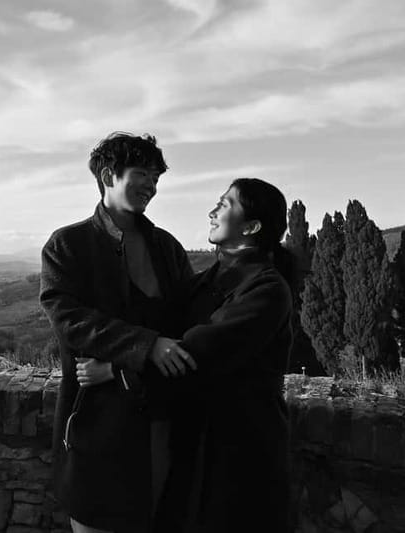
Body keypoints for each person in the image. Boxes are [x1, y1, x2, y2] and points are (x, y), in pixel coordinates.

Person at [81, 177, 295, 533]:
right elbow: (161, 318)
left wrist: (118, 371)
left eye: (225, 205)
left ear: (252, 226)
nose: (212, 211)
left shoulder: (267, 289)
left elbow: (199, 352)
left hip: (240, 453)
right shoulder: (212, 279)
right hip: (199, 446)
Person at [39, 132, 196, 533]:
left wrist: (125, 365)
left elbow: (189, 326)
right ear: (109, 175)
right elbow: (69, 320)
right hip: (96, 424)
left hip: (160, 423)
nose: (152, 186)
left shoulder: (167, 248)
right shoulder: (67, 246)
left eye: (157, 177)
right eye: (142, 173)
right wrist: (146, 345)